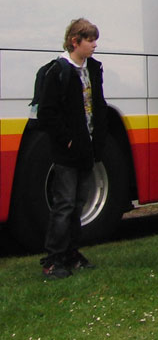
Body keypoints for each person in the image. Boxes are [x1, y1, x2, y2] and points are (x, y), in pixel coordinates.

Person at [38, 18, 108, 279]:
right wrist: (67, 139)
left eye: (94, 40)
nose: (94, 45)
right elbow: (47, 113)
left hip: (87, 147)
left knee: (78, 203)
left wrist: (97, 139)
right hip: (68, 150)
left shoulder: (92, 69)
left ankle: (71, 252)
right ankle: (53, 258)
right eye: (89, 40)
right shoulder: (58, 71)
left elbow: (98, 105)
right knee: (64, 203)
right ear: (74, 41)